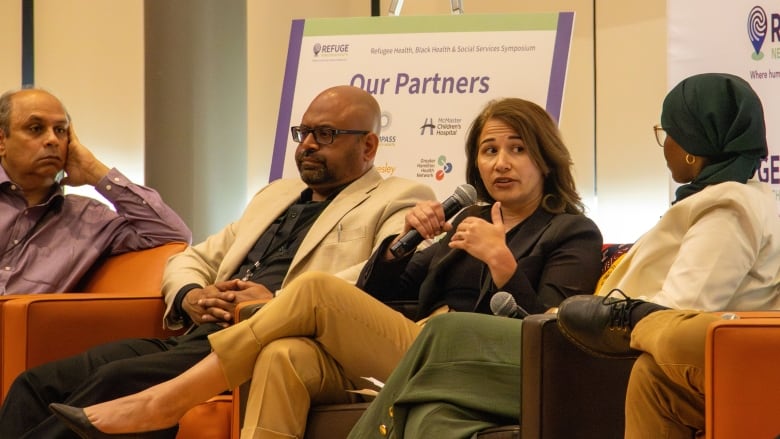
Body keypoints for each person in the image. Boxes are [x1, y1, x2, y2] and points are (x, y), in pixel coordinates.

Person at [47, 97, 604, 439]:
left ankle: (167, 400)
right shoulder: (467, 220)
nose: (500, 163)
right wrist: (405, 243)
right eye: (488, 150)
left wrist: (503, 262)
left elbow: (557, 330)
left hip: (481, 362)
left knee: (312, 289)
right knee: (285, 355)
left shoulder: (571, 231)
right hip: (413, 345)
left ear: (545, 159)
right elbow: (390, 290)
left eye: (516, 150)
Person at [0, 84, 436, 438]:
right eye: (303, 133)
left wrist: (278, 300)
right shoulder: (275, 195)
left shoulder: (400, 197)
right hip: (197, 334)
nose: (307, 146)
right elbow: (193, 255)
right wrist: (191, 295)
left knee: (118, 379)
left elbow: (372, 276)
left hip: (258, 341)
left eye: (325, 135)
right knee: (38, 384)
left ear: (369, 145)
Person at [555, 72, 780, 438]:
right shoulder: (724, 195)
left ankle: (628, 318)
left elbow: (688, 304)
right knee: (651, 377)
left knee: (660, 348)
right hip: (689, 353)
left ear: (693, 145)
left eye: (668, 133)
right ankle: (626, 317)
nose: (665, 145)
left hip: (736, 354)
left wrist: (623, 313)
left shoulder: (729, 205)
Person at [0, 87, 191, 295]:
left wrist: (94, 171)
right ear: (2, 141)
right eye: (36, 128)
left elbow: (173, 234)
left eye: (61, 130)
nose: (52, 140)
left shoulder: (89, 220)